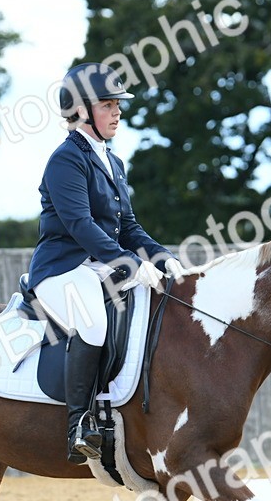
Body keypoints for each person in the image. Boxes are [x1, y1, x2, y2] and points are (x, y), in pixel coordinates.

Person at [26, 62, 183, 464]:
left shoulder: (112, 162)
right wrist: (131, 265)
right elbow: (80, 225)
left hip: (100, 268)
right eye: (108, 104)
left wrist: (164, 260)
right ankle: (79, 424)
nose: (117, 112)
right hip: (61, 270)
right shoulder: (65, 161)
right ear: (80, 111)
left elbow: (127, 225)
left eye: (118, 104)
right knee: (93, 323)